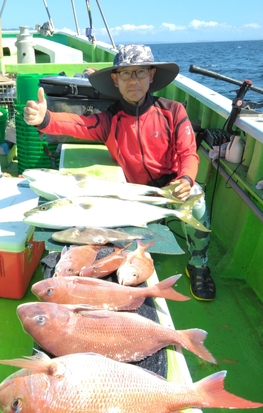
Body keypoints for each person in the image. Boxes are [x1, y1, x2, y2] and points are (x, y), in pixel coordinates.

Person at [24, 44, 215, 301]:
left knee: (197, 197)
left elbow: (188, 153)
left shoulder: (173, 111)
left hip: (172, 185)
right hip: (132, 191)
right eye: (126, 73)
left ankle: (198, 263)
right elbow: (80, 124)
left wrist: (185, 178)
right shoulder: (109, 119)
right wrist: (45, 119)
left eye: (140, 72)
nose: (133, 80)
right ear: (115, 79)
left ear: (151, 76)